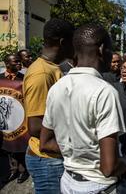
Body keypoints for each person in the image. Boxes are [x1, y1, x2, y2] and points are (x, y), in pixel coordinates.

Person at [40, 24, 126, 194]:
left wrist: (76, 152)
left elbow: (45, 143)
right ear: (102, 50)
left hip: (68, 182)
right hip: (100, 186)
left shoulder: (56, 88)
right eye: (111, 49)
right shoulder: (104, 92)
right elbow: (109, 168)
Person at [23, 18, 74, 193]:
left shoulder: (53, 68)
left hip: (53, 157)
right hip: (47, 160)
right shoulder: (41, 74)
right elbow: (36, 127)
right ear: (63, 42)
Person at [0, 54, 29, 184]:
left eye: (19, 61)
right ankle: (13, 169)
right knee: (7, 145)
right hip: (4, 117)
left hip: (20, 117)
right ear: (7, 64)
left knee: (19, 143)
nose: (19, 64)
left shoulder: (24, 79)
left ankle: (23, 171)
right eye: (15, 62)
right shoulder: (0, 79)